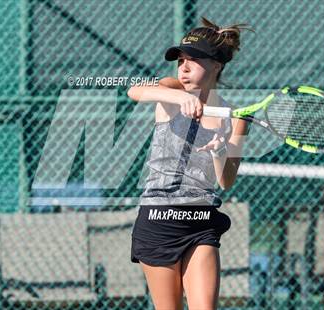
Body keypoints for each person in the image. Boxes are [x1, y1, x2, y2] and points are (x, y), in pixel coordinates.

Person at [127, 17, 252, 310]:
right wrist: (176, 97)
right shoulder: (172, 89)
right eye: (180, 60)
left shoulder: (232, 117)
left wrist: (220, 149)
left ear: (217, 65)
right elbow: (136, 90)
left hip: (201, 222)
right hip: (158, 221)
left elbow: (226, 179)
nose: (183, 67)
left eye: (193, 60)